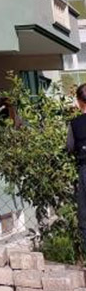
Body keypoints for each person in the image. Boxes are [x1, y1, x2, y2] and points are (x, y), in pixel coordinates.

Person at [66, 83, 86, 249]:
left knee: (84, 215)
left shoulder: (74, 124)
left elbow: (70, 147)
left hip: (85, 168)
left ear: (79, 102)